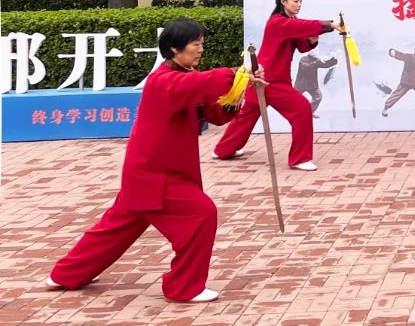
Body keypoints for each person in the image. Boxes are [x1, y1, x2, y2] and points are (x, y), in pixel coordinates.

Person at [46, 18, 264, 303]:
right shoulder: (162, 81)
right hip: (155, 174)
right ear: (174, 48)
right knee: (201, 214)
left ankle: (65, 275)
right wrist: (238, 73)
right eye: (195, 44)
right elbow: (200, 84)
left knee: (115, 229)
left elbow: (215, 114)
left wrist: (241, 88)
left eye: (201, 43)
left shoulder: (184, 77)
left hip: (155, 171)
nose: (201, 49)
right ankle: (183, 287)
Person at [215, 0, 344, 171]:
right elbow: (303, 26)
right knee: (302, 109)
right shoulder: (277, 22)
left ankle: (223, 150)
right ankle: (299, 158)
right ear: (283, 1)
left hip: (263, 76)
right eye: (295, 1)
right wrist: (330, 25)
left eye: (301, 1)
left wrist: (311, 40)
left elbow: (302, 46)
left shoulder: (290, 21)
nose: (299, 5)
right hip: (269, 79)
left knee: (246, 117)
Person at [294, 52, 338, 117]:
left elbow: (325, 65)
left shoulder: (316, 60)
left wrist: (334, 60)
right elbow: (306, 67)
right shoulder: (303, 59)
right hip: (301, 84)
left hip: (312, 85)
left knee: (318, 97)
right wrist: (316, 63)